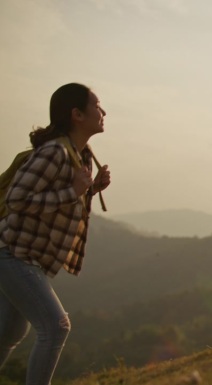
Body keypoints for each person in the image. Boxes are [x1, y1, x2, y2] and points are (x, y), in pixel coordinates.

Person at [0, 83, 111, 383]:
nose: (103, 112)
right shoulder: (54, 153)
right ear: (76, 114)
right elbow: (16, 199)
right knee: (55, 326)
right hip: (12, 254)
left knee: (8, 333)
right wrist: (72, 191)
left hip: (27, 257)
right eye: (97, 106)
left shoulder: (80, 154)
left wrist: (90, 190)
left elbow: (62, 200)